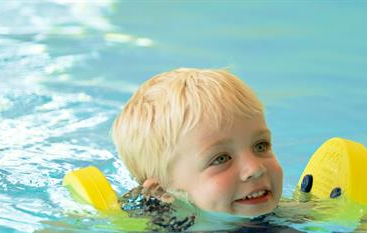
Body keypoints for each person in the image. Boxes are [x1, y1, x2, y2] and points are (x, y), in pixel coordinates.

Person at [112, 68, 283, 224]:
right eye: (221, 159)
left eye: (260, 146)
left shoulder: (291, 216)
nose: (255, 169)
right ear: (161, 191)